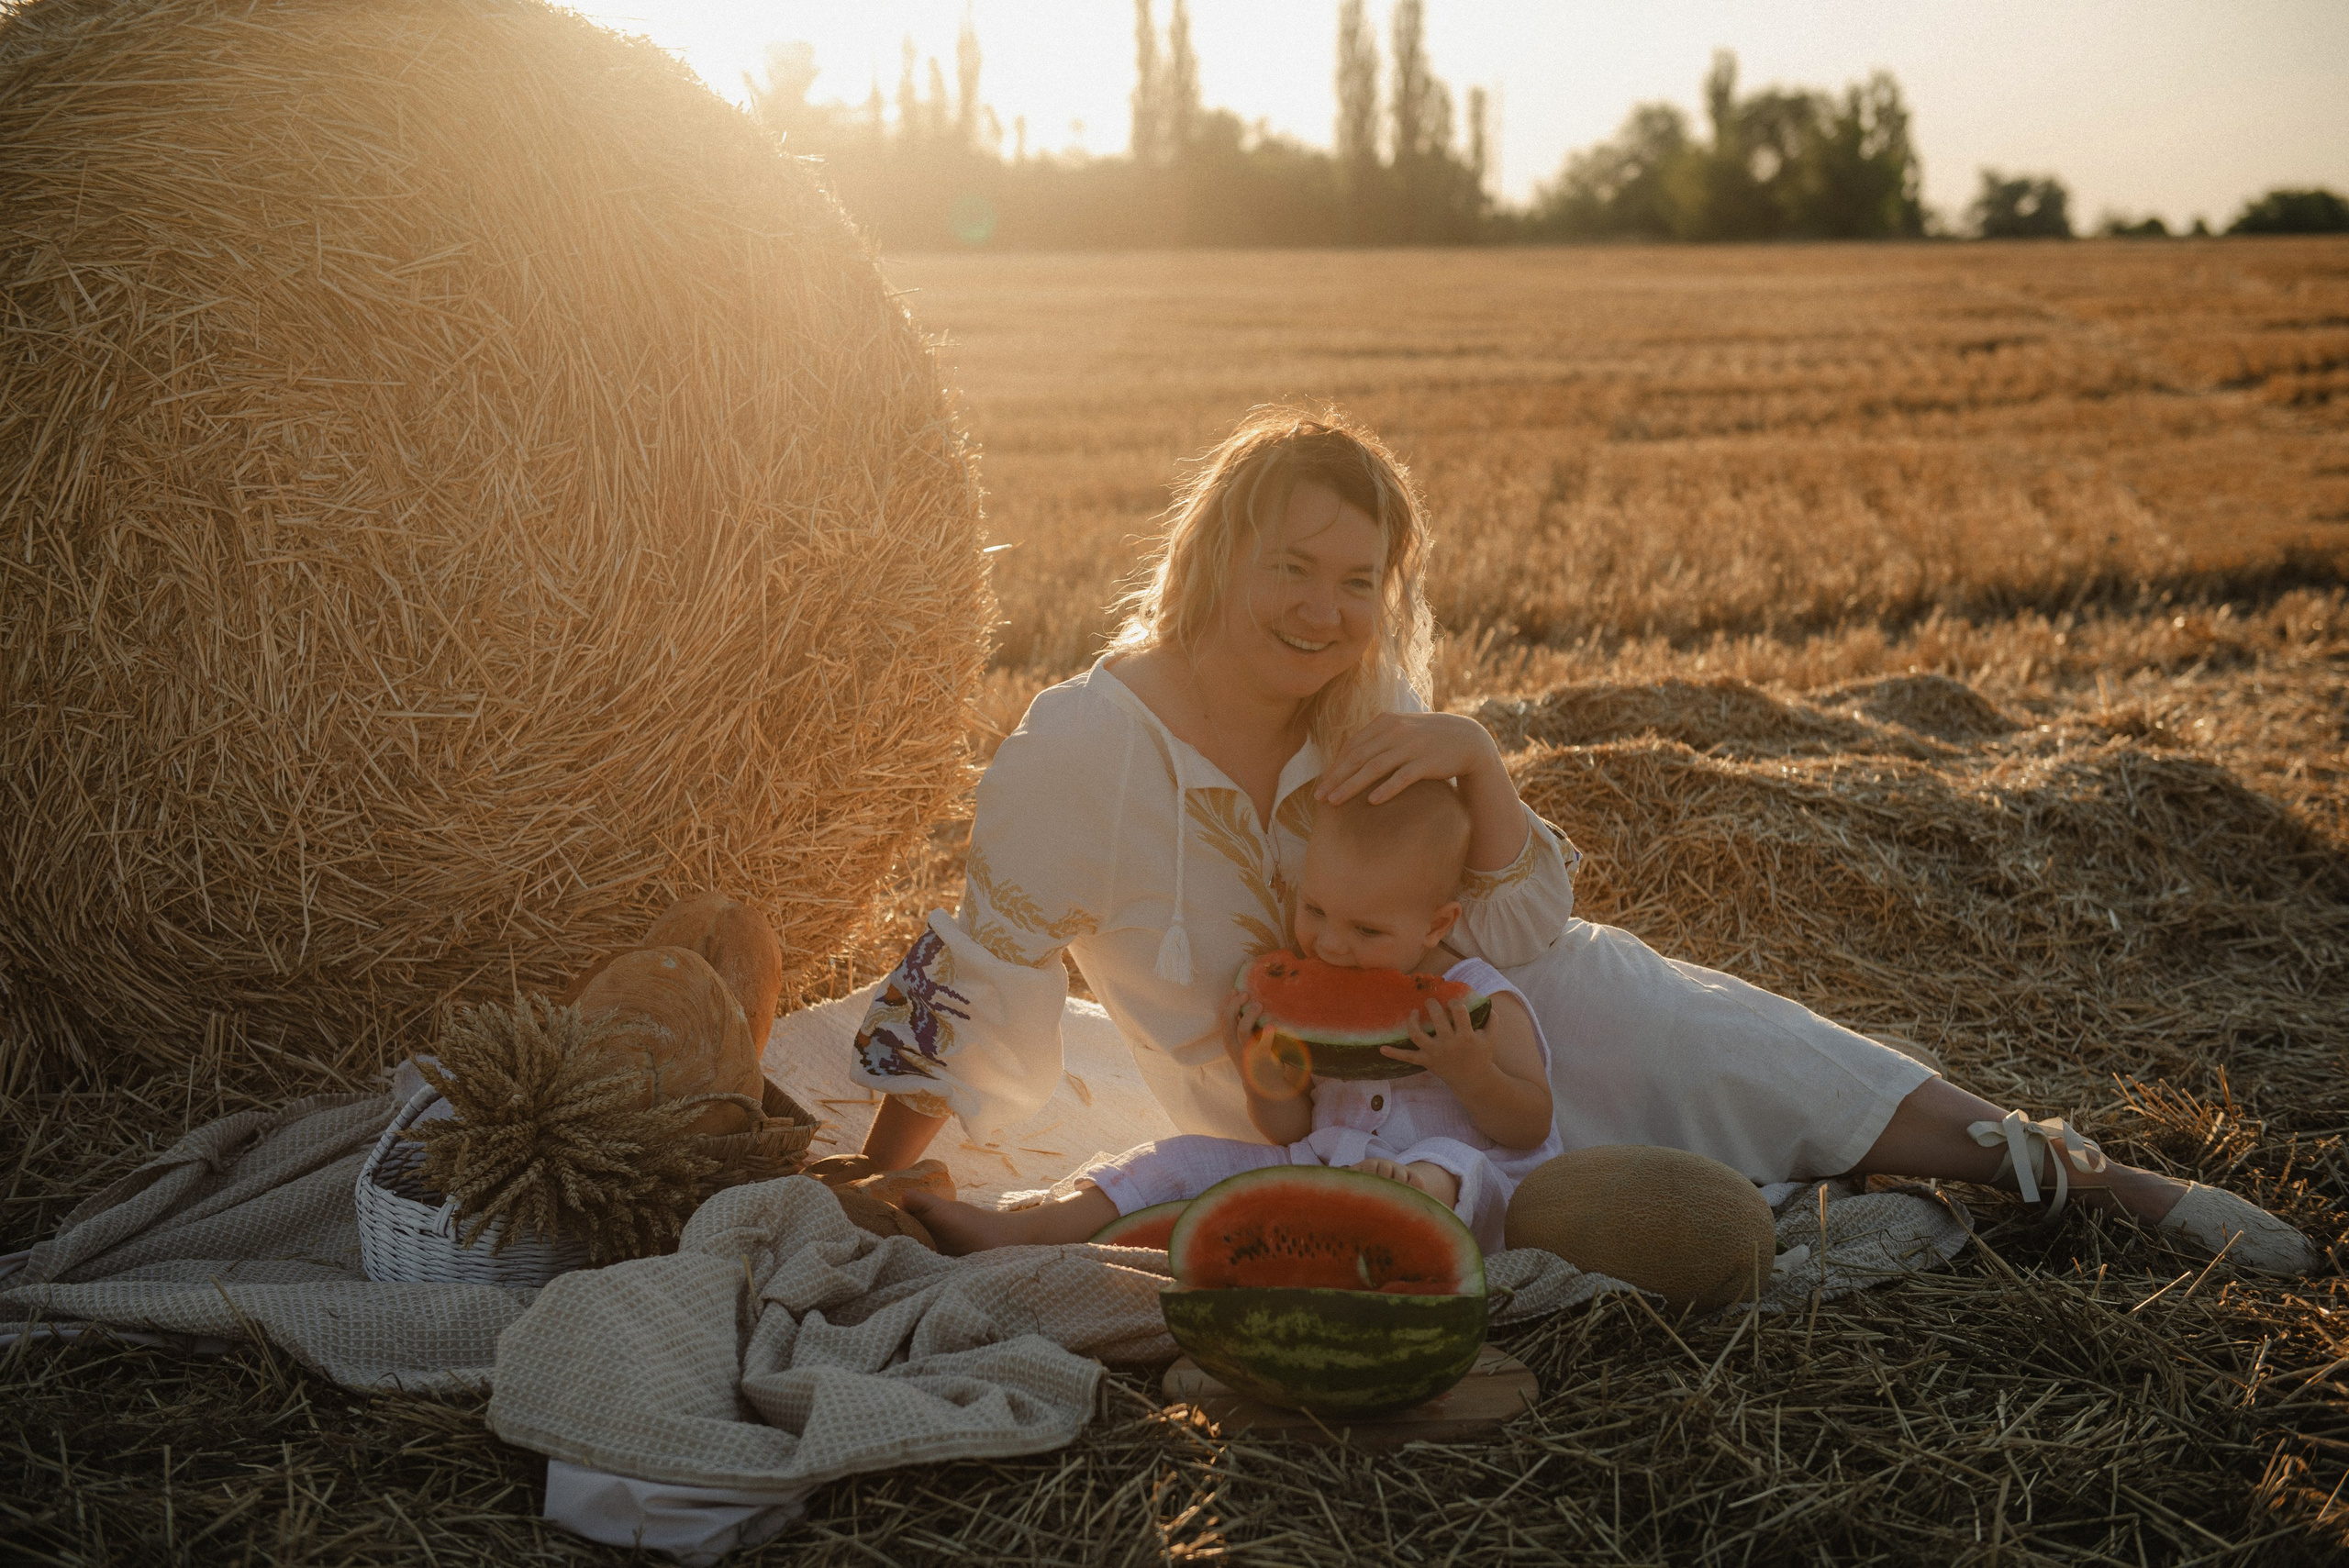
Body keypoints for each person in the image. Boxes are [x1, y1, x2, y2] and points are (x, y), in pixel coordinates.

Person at [846, 406, 2312, 1273]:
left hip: (1487, 1034)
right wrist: (885, 1167)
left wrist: (1483, 769)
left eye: (1360, 581)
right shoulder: (1080, 747)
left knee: (1670, 1012)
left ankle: (2060, 1164)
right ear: (1211, 555)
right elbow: (979, 970)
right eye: (1292, 566)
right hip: (1292, 1116)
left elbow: (1517, 934)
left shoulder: (1368, 708)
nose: (1324, 609)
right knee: (1559, 1197)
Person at [906, 778, 1563, 1253]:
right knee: (1180, 1159)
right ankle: (1026, 1230)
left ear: (1438, 923)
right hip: (1318, 1168)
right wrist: (1261, 1076)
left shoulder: (1480, 999)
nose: (1331, 944)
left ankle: (1405, 1190)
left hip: (1456, 1202)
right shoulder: (1309, 992)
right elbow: (1289, 1128)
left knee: (1453, 1162)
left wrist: (1471, 1073)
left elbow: (1531, 1124)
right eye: (1315, 911)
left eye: (1366, 929)